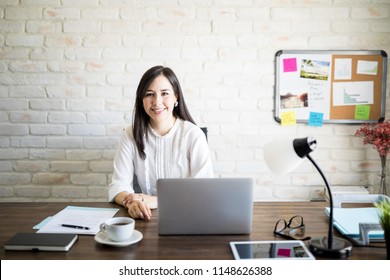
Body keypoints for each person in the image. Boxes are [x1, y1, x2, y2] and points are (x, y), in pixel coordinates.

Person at [108, 66, 214, 220]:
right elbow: (118, 185)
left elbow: (204, 192)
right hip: (146, 217)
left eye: (164, 93)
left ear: (176, 97)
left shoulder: (193, 135)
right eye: (149, 94)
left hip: (188, 216)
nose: (157, 102)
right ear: (141, 100)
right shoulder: (131, 134)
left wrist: (157, 201)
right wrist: (130, 202)